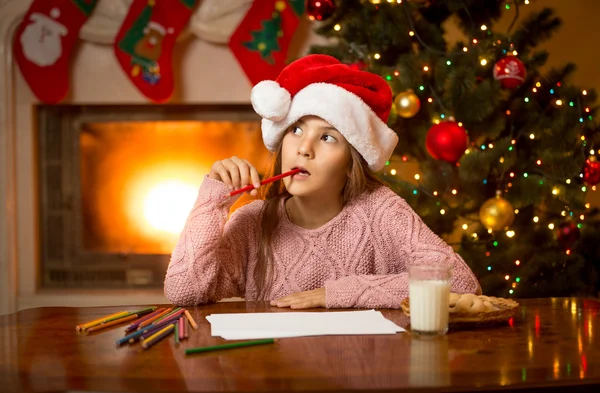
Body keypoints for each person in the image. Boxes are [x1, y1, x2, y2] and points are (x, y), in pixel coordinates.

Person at [164, 54, 481, 308]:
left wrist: (346, 291)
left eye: (327, 137)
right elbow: (183, 291)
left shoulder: (381, 211)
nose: (304, 148)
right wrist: (213, 197)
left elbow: (462, 282)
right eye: (296, 129)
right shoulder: (251, 222)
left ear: (349, 163)